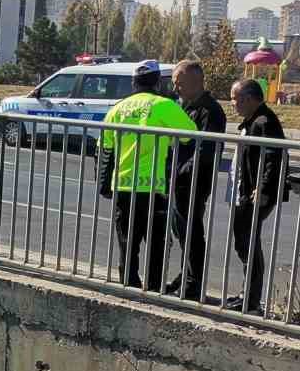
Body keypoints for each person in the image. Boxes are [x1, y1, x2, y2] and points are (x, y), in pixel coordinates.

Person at [98, 60, 197, 290]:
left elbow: (105, 146)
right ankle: (152, 289)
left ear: (134, 83)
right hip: (153, 186)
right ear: (156, 82)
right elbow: (190, 135)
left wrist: (104, 182)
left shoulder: (118, 108)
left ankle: (128, 285)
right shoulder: (164, 106)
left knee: (127, 242)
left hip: (123, 185)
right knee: (156, 243)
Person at [164, 58, 228, 300]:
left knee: (191, 231)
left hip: (194, 180)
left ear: (196, 82)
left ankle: (193, 283)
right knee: (182, 231)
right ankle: (186, 275)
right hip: (178, 177)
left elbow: (206, 150)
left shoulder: (210, 111)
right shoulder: (183, 105)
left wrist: (181, 172)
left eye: (179, 83)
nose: (176, 88)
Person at [224, 78, 285, 313]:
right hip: (247, 191)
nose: (232, 104)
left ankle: (251, 300)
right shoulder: (254, 119)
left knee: (247, 242)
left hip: (256, 194)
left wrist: (263, 188)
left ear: (248, 99)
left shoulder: (264, 121)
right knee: (243, 241)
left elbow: (273, 157)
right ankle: (247, 295)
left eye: (234, 99)